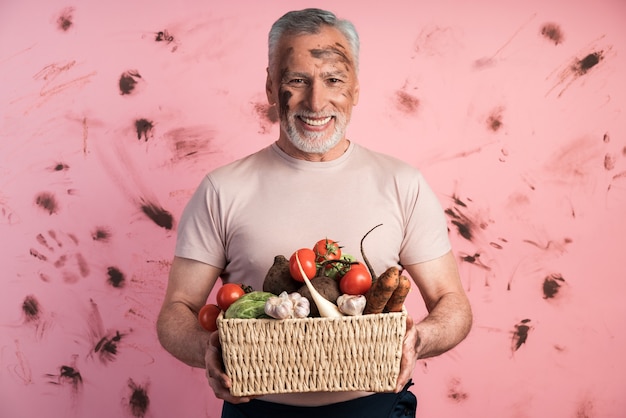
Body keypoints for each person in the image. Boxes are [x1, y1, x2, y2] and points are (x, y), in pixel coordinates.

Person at [156, 8, 472, 418]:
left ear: (356, 88)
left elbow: (453, 304)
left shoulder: (402, 183)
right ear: (271, 87)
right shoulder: (222, 189)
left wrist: (419, 339)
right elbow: (175, 311)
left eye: (333, 80)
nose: (316, 101)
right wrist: (207, 349)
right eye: (297, 80)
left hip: (374, 409)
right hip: (258, 411)